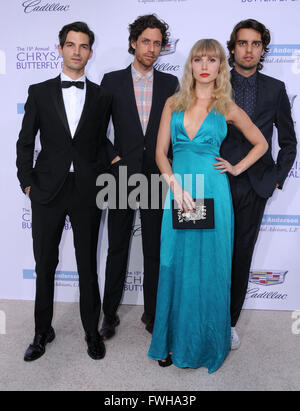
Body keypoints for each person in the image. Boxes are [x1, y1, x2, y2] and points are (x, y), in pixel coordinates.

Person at [148, 39, 268, 373]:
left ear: (220, 66)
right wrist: (174, 186)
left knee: (209, 270)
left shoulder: (226, 106)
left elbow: (261, 142)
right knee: (174, 266)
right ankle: (169, 342)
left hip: (213, 194)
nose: (204, 65)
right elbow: (160, 153)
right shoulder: (173, 102)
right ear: (191, 65)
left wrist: (236, 167)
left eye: (211, 59)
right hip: (180, 193)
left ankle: (205, 342)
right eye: (198, 59)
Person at [16, 22, 112, 362]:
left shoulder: (101, 95)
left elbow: (100, 142)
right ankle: (42, 331)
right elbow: (25, 140)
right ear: (60, 49)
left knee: (88, 265)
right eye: (70, 45)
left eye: (83, 46)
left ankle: (91, 332)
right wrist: (25, 181)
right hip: (47, 190)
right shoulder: (39, 91)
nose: (76, 51)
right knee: (45, 264)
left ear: (89, 52)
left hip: (87, 190)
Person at [99, 14, 179, 339]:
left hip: (157, 177)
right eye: (145, 41)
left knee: (154, 250)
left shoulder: (169, 84)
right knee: (116, 247)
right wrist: (113, 157)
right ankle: (108, 316)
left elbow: (174, 132)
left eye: (157, 43)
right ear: (133, 42)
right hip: (120, 177)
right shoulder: (111, 80)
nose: (151, 48)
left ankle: (153, 314)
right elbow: (94, 129)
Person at [221, 19, 297, 349]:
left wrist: (277, 178)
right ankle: (203, 316)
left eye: (255, 43)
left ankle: (228, 323)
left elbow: (289, 141)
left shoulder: (276, 88)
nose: (249, 49)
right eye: (242, 43)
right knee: (211, 253)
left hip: (255, 184)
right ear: (233, 47)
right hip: (217, 180)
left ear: (263, 49)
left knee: (240, 255)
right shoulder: (214, 84)